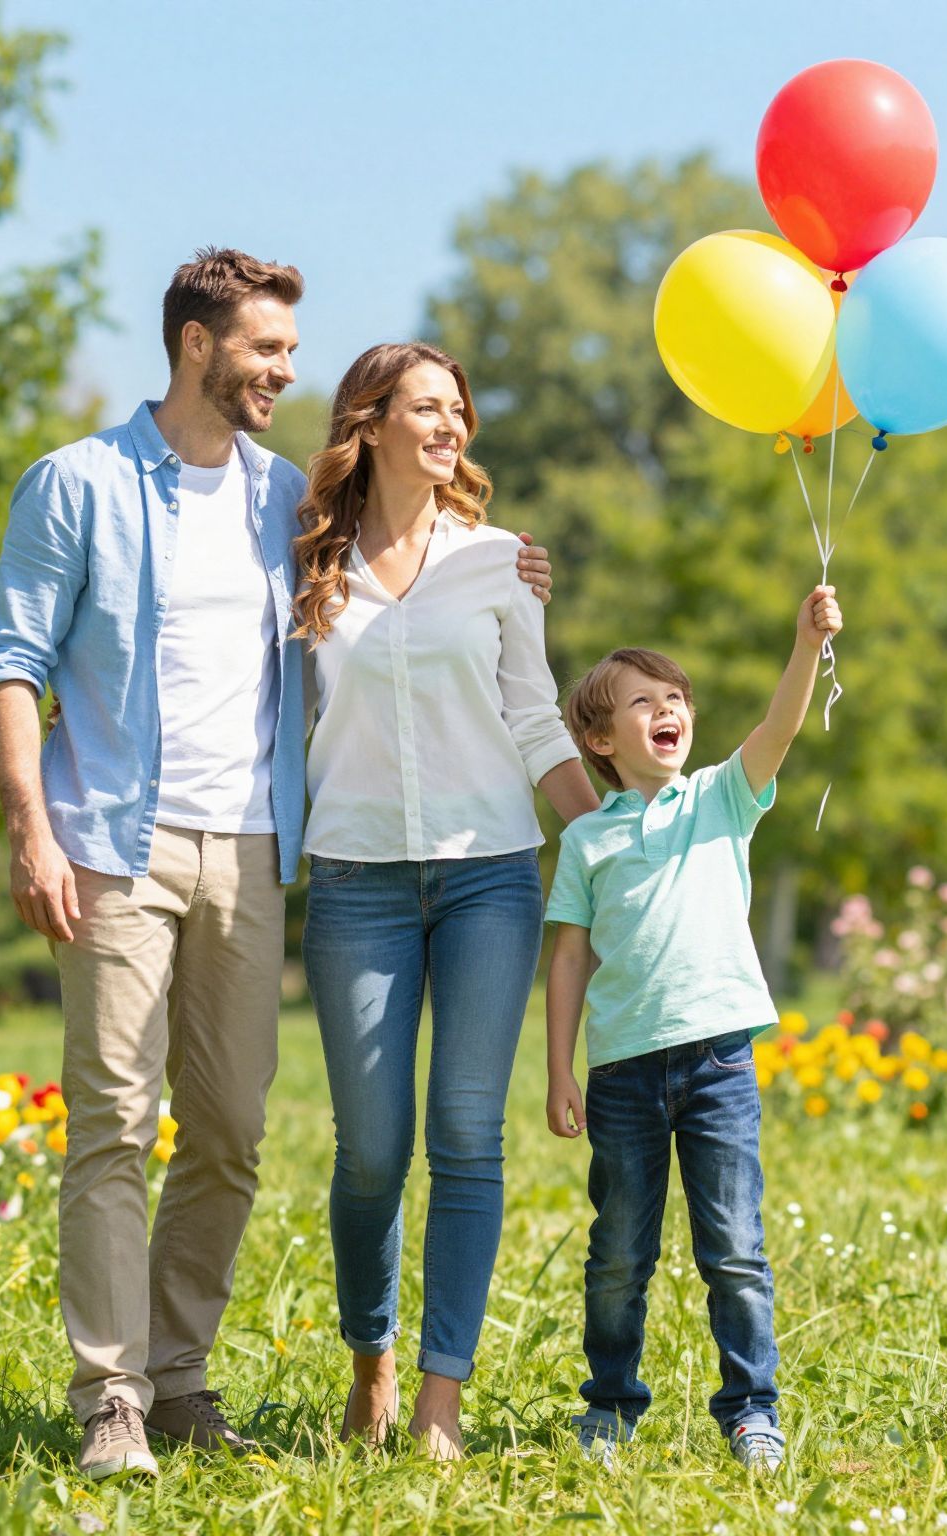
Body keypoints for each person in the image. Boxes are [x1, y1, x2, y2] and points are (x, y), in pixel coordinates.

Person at [0, 255, 551, 1481]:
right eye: (266, 350)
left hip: (252, 847)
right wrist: (30, 826)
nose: (287, 371)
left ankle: (178, 1377)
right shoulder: (76, 484)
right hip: (112, 842)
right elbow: (10, 660)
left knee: (231, 1130)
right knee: (114, 1122)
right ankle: (112, 1397)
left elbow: (399, 576)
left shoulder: (286, 501)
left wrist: (500, 564)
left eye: (291, 351)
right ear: (197, 345)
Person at [293, 341, 603, 1460]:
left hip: (488, 875)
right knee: (372, 1150)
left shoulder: (500, 563)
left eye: (459, 411)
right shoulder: (308, 564)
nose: (450, 427)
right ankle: (369, 1360)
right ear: (369, 422)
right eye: (426, 408)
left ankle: (440, 1398)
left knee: (467, 1136)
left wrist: (606, 837)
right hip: (355, 878)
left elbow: (532, 714)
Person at [543, 584, 845, 1473]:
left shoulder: (720, 799)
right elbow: (569, 958)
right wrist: (559, 1070)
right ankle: (609, 1407)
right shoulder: (588, 841)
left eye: (674, 697)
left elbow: (781, 727)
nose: (666, 708)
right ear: (602, 740)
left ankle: (753, 1411)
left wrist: (806, 644)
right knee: (617, 1255)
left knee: (736, 1251)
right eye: (642, 701)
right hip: (623, 1074)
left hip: (718, 1063)